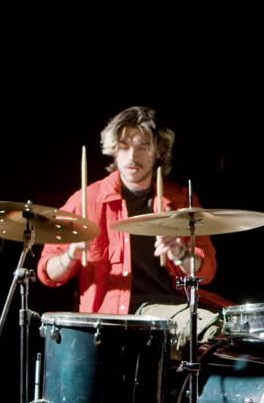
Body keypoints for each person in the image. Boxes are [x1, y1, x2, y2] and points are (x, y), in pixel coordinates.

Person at [37, 106, 230, 348]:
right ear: (113, 150)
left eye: (143, 146)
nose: (132, 156)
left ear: (159, 151)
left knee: (239, 329)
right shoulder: (87, 200)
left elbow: (207, 272)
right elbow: (48, 273)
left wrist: (180, 252)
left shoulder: (180, 200)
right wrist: (71, 255)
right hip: (120, 314)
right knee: (210, 328)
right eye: (124, 146)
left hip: (178, 305)